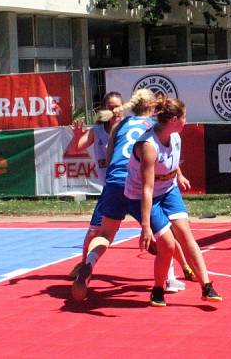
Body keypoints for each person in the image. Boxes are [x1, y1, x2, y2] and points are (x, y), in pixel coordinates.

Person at [71, 90, 194, 301]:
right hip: (136, 183)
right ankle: (170, 279)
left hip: (114, 182)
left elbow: (110, 157)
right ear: (153, 108)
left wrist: (113, 180)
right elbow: (166, 157)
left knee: (106, 234)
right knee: (163, 233)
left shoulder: (119, 126)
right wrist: (178, 176)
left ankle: (89, 263)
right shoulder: (153, 127)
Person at [126, 96, 221, 307]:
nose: (187, 120)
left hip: (168, 190)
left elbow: (172, 158)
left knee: (186, 234)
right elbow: (147, 188)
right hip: (143, 197)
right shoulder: (148, 146)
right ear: (174, 119)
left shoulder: (175, 137)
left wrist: (179, 174)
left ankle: (206, 286)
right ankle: (158, 290)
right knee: (167, 245)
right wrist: (144, 227)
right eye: (184, 117)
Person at [67, 91, 124, 281]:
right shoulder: (98, 131)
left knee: (160, 228)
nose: (115, 110)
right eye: (110, 107)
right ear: (104, 110)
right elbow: (75, 149)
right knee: (94, 231)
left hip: (133, 187)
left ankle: (182, 266)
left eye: (118, 106)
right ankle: (84, 266)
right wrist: (76, 136)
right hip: (111, 189)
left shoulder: (129, 128)